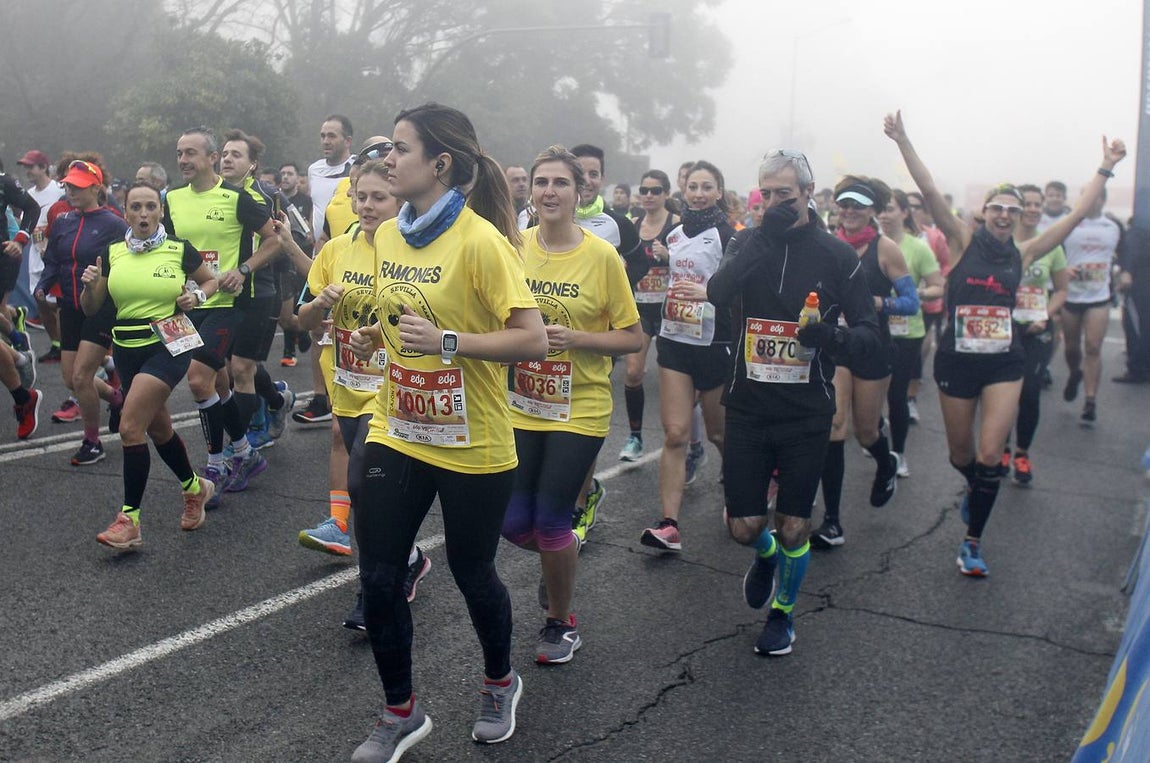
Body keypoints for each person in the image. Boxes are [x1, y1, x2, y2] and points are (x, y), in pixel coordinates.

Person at [344, 103, 547, 761]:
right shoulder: (385, 236)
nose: (387, 160)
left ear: (441, 163)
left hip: (473, 441)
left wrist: (448, 340)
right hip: (397, 427)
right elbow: (400, 317)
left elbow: (533, 339)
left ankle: (499, 680)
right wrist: (379, 332)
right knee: (377, 575)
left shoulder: (482, 241)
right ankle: (400, 711)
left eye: (400, 149)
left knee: (471, 569)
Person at [885, 109, 1124, 577]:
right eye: (998, 208)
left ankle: (972, 542)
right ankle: (978, 488)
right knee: (962, 456)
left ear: (1018, 220)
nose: (1005, 215)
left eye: (1013, 211)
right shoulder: (960, 240)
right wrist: (902, 139)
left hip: (1004, 363)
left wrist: (1106, 166)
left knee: (992, 455)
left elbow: (1075, 215)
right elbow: (929, 189)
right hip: (957, 361)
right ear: (984, 213)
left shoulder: (1027, 251)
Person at [709, 148, 882, 656]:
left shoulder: (836, 255)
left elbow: (871, 335)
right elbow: (718, 292)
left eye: (786, 194)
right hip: (747, 405)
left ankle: (782, 614)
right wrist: (763, 236)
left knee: (794, 525)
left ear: (808, 194)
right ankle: (762, 556)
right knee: (744, 528)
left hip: (807, 411)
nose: (776, 202)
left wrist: (827, 336)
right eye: (768, 193)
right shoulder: (747, 241)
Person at [502, 145, 641, 664]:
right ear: (530, 191)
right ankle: (564, 557)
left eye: (561, 183)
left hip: (577, 407)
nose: (550, 192)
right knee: (516, 523)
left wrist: (577, 338)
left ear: (579, 192)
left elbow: (631, 337)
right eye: (541, 183)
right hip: (519, 403)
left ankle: (561, 622)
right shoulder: (514, 248)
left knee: (552, 520)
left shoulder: (602, 257)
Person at [292, 156, 430, 629]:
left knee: (364, 489)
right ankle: (408, 557)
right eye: (361, 196)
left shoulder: (411, 252)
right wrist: (319, 302)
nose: (367, 206)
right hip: (347, 384)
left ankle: (372, 593)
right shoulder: (335, 250)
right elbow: (303, 322)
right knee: (364, 489)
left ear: (399, 200)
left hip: (393, 393)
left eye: (379, 197)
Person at [80, 181, 219, 548]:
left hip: (169, 343)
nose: (143, 214)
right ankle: (195, 487)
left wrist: (196, 295)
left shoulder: (178, 249)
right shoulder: (112, 253)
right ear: (124, 212)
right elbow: (92, 308)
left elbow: (210, 281)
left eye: (150, 207)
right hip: (126, 347)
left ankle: (130, 520)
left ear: (160, 211)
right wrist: (88, 286)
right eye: (136, 207)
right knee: (158, 430)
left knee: (129, 427)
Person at [162, 127, 278, 506]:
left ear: (212, 158)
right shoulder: (172, 199)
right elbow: (170, 250)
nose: (183, 160)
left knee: (198, 381)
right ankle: (244, 451)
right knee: (218, 383)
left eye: (191, 153)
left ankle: (214, 465)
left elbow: (275, 239)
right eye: (180, 153)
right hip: (187, 304)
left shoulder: (237, 198)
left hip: (228, 303)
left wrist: (243, 270)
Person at [810, 177, 916, 549]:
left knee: (865, 431)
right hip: (837, 348)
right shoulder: (827, 244)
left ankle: (884, 461)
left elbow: (911, 302)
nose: (850, 211)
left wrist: (879, 303)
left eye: (858, 205)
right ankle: (833, 522)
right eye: (844, 204)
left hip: (873, 348)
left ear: (872, 210)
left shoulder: (886, 250)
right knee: (835, 426)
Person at [639, 160, 734, 552]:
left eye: (706, 186)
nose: (697, 193)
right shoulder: (674, 234)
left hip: (714, 345)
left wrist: (712, 293)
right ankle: (669, 525)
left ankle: (742, 492)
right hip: (675, 340)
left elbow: (740, 289)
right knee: (676, 434)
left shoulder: (731, 236)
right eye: (692, 186)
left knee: (718, 434)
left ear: (718, 191)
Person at [36, 158, 123, 466]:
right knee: (72, 380)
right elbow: (55, 263)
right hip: (70, 306)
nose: (71, 190)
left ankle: (92, 441)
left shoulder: (114, 223)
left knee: (82, 375)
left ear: (97, 189)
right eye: (69, 185)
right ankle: (116, 398)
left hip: (100, 308)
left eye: (78, 186)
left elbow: (126, 266)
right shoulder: (63, 221)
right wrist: (43, 287)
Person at [215, 129, 293, 456]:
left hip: (259, 288)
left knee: (241, 367)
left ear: (252, 164)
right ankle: (277, 398)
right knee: (228, 365)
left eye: (237, 154)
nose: (228, 159)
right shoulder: (212, 193)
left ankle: (250, 434)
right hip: (221, 290)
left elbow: (282, 242)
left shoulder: (264, 194)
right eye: (225, 153)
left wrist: (246, 268)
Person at [877, 189, 944, 479]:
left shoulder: (918, 248)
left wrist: (917, 292)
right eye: (880, 209)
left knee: (896, 394)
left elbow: (938, 286)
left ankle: (899, 454)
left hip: (907, 331)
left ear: (904, 212)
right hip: (874, 329)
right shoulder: (871, 245)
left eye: (890, 208)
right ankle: (875, 433)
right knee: (871, 392)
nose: (883, 214)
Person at [1006, 185, 1069, 484]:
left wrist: (1044, 315)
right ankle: (1001, 447)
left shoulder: (1051, 245)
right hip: (1004, 328)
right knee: (1002, 391)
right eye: (1026, 204)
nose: (1032, 209)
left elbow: (1062, 291)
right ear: (1017, 209)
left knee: (1029, 391)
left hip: (1037, 329)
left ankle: (1021, 453)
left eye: (1037, 204)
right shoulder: (1002, 243)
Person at [620, 169, 679, 462]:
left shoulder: (677, 225)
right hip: (641, 308)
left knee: (679, 387)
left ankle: (690, 443)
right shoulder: (632, 224)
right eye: (644, 190)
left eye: (656, 191)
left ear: (666, 194)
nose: (649, 196)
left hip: (672, 312)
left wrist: (669, 256)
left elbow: (694, 267)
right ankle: (635, 437)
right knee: (632, 373)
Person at [1060, 186, 1123, 426]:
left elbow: (1125, 254)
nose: (1088, 200)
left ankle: (1090, 400)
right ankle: (1074, 372)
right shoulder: (1070, 224)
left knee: (1094, 347)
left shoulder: (1113, 227)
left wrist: (1123, 272)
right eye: (1084, 195)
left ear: (1103, 200)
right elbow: (1054, 251)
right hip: (1072, 296)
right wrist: (1064, 269)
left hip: (1099, 296)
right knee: (1072, 348)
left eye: (1094, 195)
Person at [906, 190, 951, 417]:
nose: (912, 210)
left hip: (927, 302)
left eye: (916, 206)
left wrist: (929, 286)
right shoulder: (889, 238)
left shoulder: (933, 237)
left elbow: (946, 265)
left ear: (924, 212)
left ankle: (910, 398)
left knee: (918, 348)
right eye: (909, 206)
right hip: (897, 306)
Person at [1114, 224, 1150, 383]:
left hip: (1140, 283)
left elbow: (1131, 252)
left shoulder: (1137, 230)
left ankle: (1138, 367)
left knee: (1136, 324)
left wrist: (1126, 271)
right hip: (1141, 280)